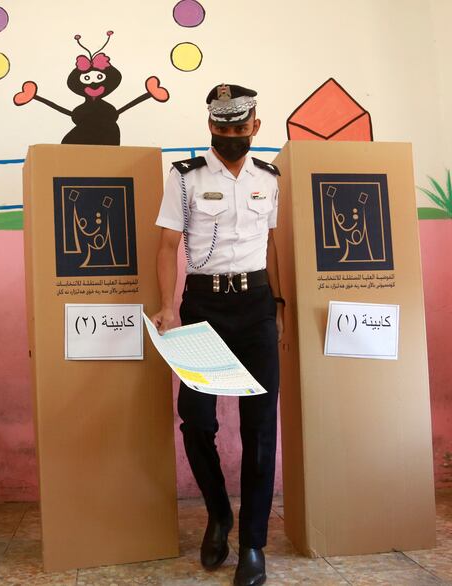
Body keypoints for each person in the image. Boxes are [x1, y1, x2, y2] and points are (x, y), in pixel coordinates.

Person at [151, 84, 284, 586]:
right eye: (221, 127)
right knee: (197, 418)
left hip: (254, 306)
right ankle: (218, 515)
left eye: (238, 126)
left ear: (254, 125)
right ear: (211, 127)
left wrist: (280, 305)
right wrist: (168, 307)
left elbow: (271, 244)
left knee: (259, 426)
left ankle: (252, 543)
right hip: (203, 305)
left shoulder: (269, 179)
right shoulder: (184, 177)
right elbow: (167, 244)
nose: (230, 135)